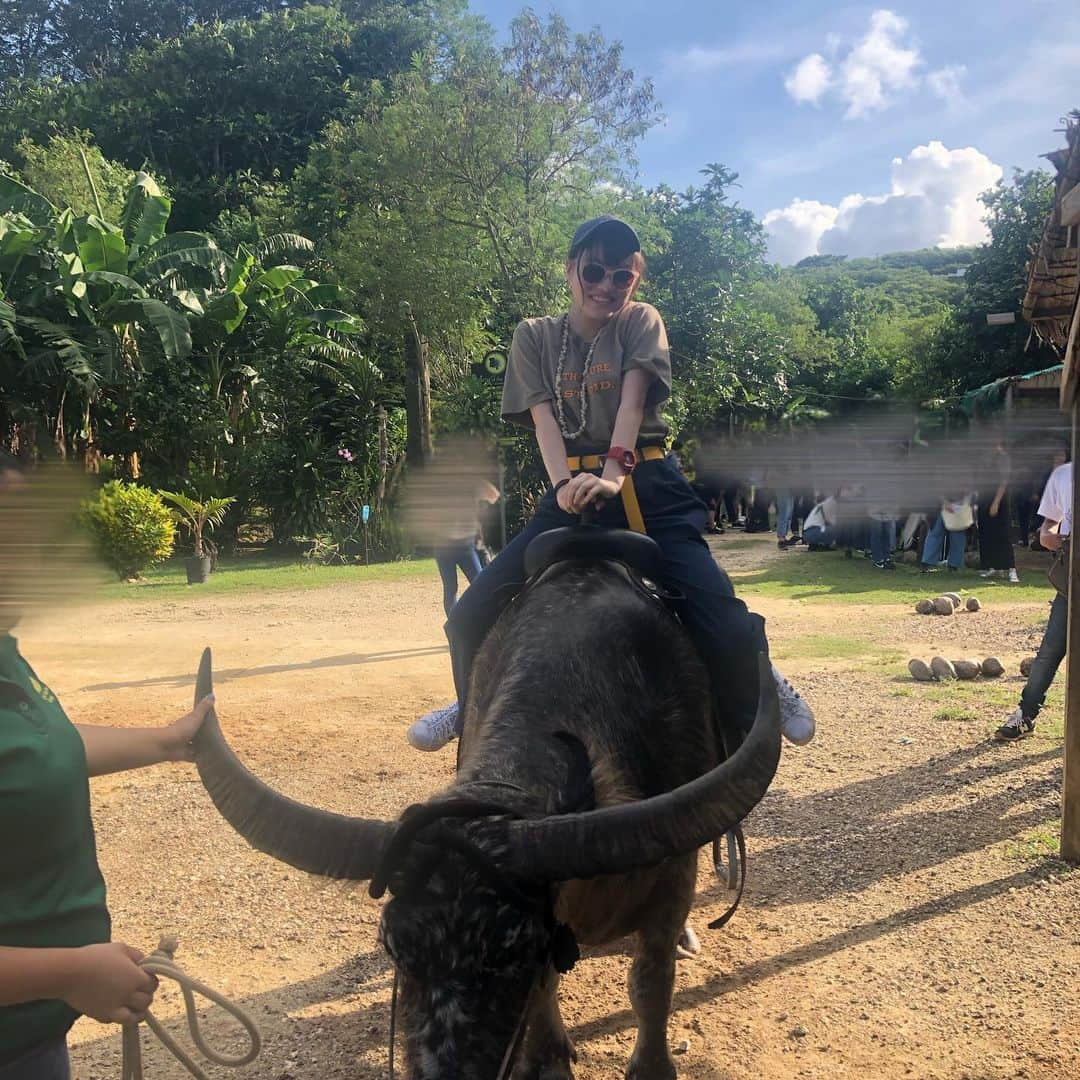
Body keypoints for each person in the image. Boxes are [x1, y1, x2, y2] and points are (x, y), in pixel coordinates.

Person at [407, 216, 815, 753]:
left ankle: (760, 679)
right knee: (467, 618)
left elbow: (631, 404)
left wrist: (611, 476)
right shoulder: (533, 335)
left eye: (621, 276)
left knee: (722, 617)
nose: (606, 285)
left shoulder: (640, 321)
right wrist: (565, 487)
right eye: (594, 270)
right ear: (571, 269)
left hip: (646, 484)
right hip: (570, 489)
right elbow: (544, 421)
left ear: (635, 280)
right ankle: (472, 701)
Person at [0, 452, 215, 1079]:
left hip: (31, 1033)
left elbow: (36, 748)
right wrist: (72, 971)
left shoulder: (3, 653)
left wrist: (164, 742)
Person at [996, 456, 1072, 741]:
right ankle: (1025, 716)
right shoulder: (1063, 475)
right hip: (1071, 580)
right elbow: (1049, 525)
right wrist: (1051, 536)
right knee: (1049, 652)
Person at [434, 480, 500, 618]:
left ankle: (476, 624)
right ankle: (457, 629)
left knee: (473, 585)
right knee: (455, 587)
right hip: (449, 546)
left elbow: (494, 496)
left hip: (458, 546)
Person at [977, 440, 1019, 583]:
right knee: (986, 533)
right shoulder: (984, 457)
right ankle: (991, 566)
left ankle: (1011, 569)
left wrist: (996, 502)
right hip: (983, 499)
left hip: (999, 500)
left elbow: (1003, 482)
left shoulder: (1003, 457)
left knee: (1003, 534)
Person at [920, 490, 972, 573]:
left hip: (958, 506)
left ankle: (953, 566)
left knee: (957, 536)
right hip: (940, 506)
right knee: (936, 534)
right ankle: (926, 564)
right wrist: (945, 502)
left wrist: (964, 503)